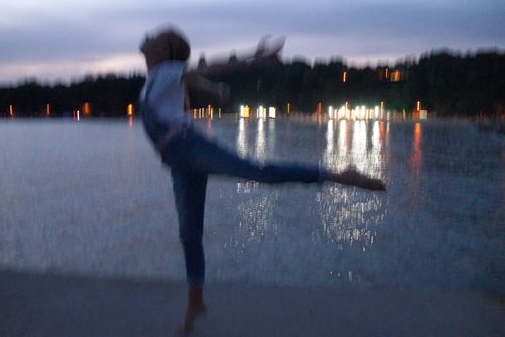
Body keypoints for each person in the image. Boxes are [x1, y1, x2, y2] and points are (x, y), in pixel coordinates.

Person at [138, 26, 386, 334]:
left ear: (164, 51)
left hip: (191, 148)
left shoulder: (166, 70)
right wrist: (214, 90)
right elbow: (193, 78)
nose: (148, 36)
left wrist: (252, 58)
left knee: (261, 173)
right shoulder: (157, 78)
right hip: (179, 162)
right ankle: (196, 302)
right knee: (189, 234)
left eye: (156, 37)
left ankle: (339, 174)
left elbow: (206, 66)